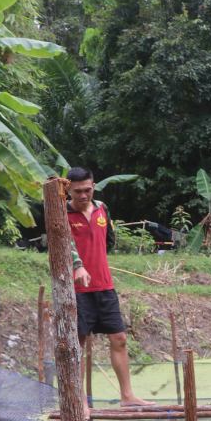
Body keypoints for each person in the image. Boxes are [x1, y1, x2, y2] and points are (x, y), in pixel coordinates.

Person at [65, 166, 150, 407]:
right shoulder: (61, 214)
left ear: (93, 186)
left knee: (120, 338)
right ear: (68, 190)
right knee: (77, 345)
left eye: (87, 190)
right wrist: (78, 266)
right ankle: (79, 401)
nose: (83, 195)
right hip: (77, 290)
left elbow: (108, 240)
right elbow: (65, 244)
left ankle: (127, 396)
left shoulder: (103, 209)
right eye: (77, 191)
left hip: (104, 286)